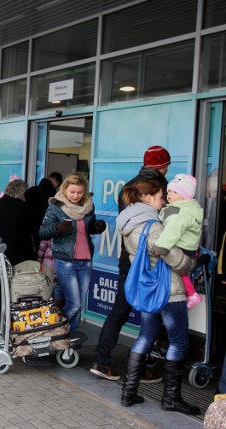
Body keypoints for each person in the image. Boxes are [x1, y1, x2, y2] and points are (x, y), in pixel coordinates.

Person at [115, 180, 199, 415]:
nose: (164, 201)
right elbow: (173, 258)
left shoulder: (129, 222)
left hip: (147, 291)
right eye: (162, 196)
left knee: (145, 337)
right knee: (178, 343)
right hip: (168, 291)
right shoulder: (153, 225)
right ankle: (171, 398)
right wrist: (191, 262)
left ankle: (128, 392)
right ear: (149, 198)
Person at [91, 145, 170, 381]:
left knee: (120, 309)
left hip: (127, 257)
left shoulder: (129, 187)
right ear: (162, 166)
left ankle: (101, 360)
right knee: (152, 312)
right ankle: (138, 368)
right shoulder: (156, 187)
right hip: (149, 259)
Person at [39, 172, 106, 335]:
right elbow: (42, 232)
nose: (76, 196)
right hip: (65, 261)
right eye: (72, 192)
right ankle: (52, 333)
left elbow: (87, 229)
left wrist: (96, 226)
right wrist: (57, 227)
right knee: (74, 304)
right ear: (64, 190)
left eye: (80, 192)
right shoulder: (56, 206)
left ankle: (66, 338)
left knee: (78, 304)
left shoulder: (88, 207)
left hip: (85, 261)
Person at [151, 174, 203, 309]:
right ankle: (191, 294)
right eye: (169, 191)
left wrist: (161, 247)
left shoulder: (179, 213)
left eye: (175, 192)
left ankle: (192, 295)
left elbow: (172, 232)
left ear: (185, 196)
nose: (169, 195)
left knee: (180, 271)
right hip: (188, 248)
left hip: (183, 248)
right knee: (181, 273)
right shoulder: (185, 208)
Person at [0, 179, 35, 266]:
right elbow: (31, 227)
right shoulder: (24, 207)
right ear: (21, 192)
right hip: (21, 249)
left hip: (0, 247)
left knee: (3, 275)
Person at [25, 171, 62, 247]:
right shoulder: (53, 196)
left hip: (28, 229)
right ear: (57, 183)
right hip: (45, 231)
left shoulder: (32, 190)